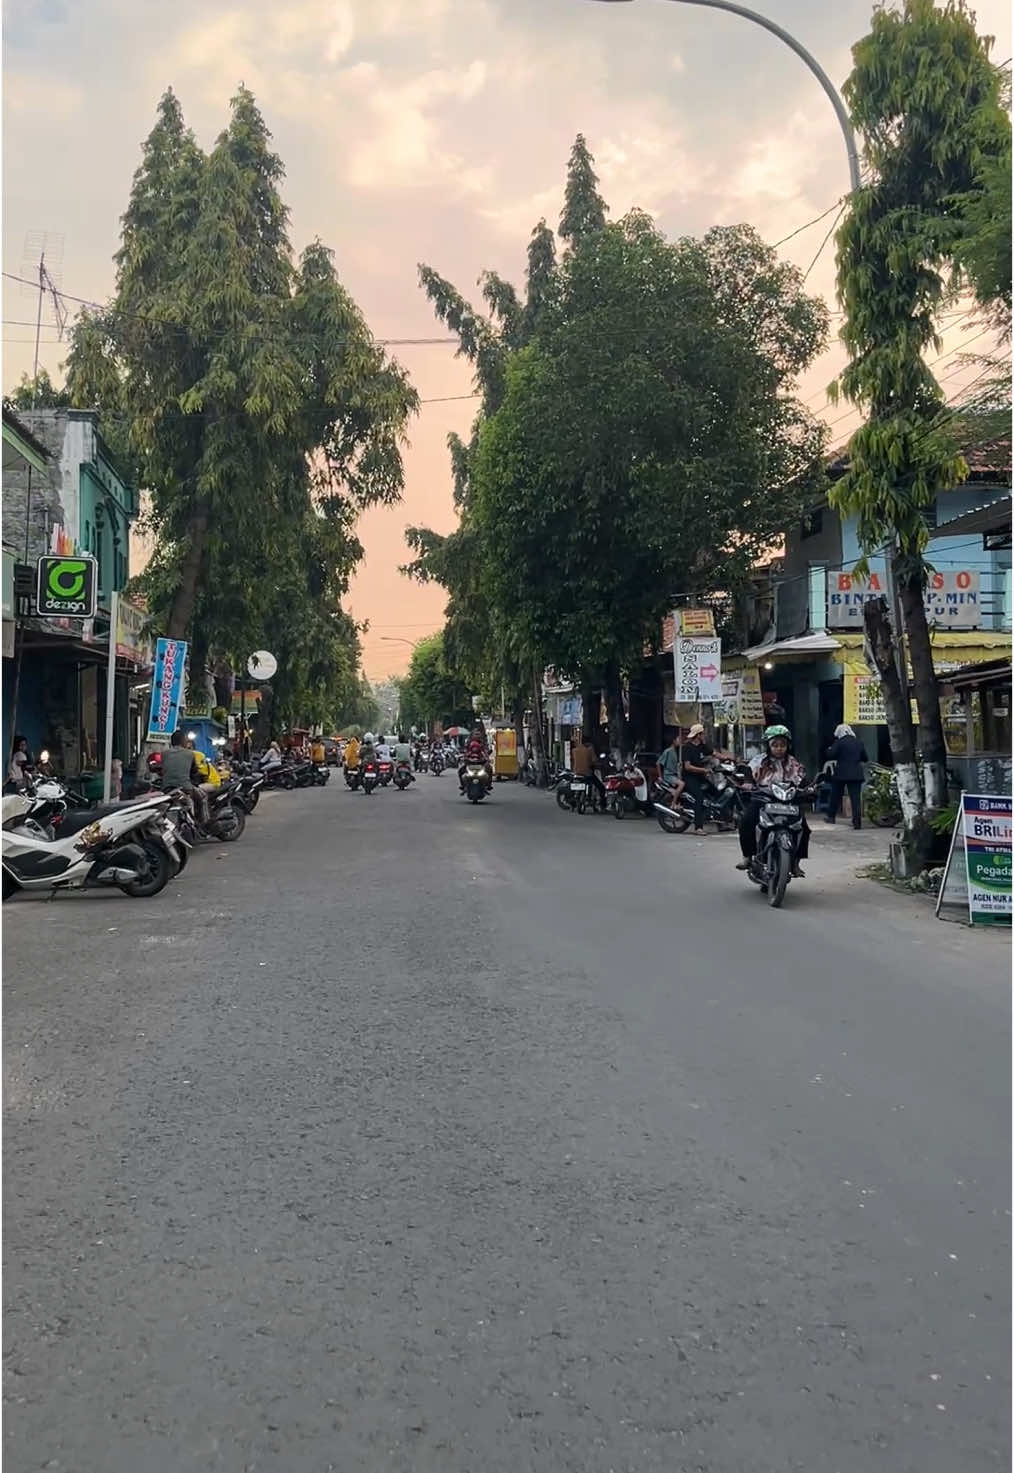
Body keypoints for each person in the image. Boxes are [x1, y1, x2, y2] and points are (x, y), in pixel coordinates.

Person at [736, 724, 810, 877]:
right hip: (764, 798)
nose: (779, 748)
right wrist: (748, 783)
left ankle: (795, 863)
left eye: (782, 745)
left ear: (787, 746)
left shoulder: (793, 763)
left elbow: (802, 779)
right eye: (775, 745)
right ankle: (747, 857)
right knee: (746, 821)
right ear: (768, 746)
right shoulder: (759, 761)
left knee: (804, 828)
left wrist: (808, 788)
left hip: (788, 801)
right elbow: (748, 775)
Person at [825, 723, 868, 829]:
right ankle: (857, 822)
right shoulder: (858, 742)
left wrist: (829, 749)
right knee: (855, 799)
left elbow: (831, 755)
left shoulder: (839, 742)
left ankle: (831, 817)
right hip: (856, 774)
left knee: (835, 795)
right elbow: (865, 758)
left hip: (841, 773)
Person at [680, 723, 712, 835]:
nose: (705, 735)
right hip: (689, 778)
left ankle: (722, 822)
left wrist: (730, 757)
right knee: (699, 798)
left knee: (715, 791)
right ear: (698, 735)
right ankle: (698, 827)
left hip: (700, 777)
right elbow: (687, 767)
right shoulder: (687, 748)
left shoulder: (702, 746)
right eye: (703, 733)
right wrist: (703, 770)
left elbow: (715, 753)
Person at [572, 732, 606, 811]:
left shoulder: (575, 750)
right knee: (601, 788)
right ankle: (602, 805)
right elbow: (594, 761)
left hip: (576, 773)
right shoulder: (590, 749)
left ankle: (575, 801)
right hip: (587, 774)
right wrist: (599, 764)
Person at [656, 733, 687, 808]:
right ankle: (673, 803)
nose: (680, 741)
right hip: (669, 775)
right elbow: (658, 763)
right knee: (682, 784)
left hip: (676, 775)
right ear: (674, 741)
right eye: (678, 739)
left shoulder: (677, 751)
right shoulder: (668, 751)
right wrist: (660, 777)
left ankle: (680, 804)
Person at [459, 725, 492, 791]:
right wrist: (463, 756)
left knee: (489, 768)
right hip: (470, 762)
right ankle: (463, 785)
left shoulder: (483, 743)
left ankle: (488, 784)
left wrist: (487, 757)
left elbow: (486, 751)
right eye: (476, 734)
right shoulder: (468, 743)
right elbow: (465, 751)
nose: (477, 736)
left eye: (478, 734)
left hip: (481, 762)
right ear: (472, 735)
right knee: (461, 771)